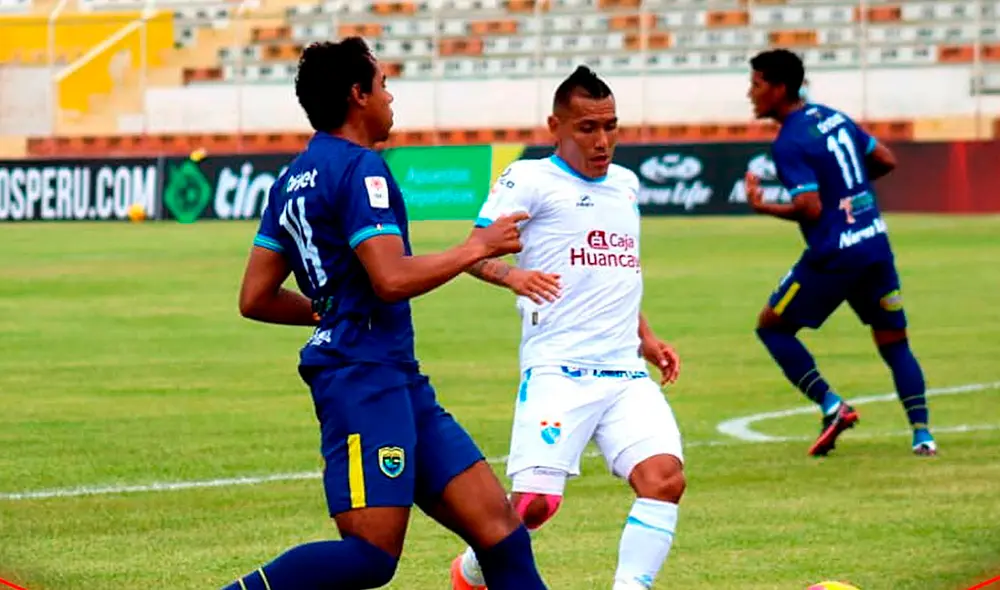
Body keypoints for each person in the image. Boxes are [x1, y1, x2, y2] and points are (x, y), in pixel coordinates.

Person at [225, 37, 549, 590]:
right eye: (383, 85)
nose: (390, 96)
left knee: (502, 535)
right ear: (358, 95)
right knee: (370, 556)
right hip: (362, 380)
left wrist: (334, 313)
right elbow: (391, 278)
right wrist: (475, 248)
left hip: (393, 376)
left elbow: (255, 296)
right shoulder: (361, 169)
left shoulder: (291, 179)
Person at [449, 65, 686, 590]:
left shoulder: (625, 186)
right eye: (587, 128)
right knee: (534, 506)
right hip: (558, 368)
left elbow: (616, 271)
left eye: (610, 126)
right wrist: (514, 276)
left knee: (664, 479)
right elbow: (472, 252)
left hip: (623, 371)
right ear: (556, 127)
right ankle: (470, 571)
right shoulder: (529, 180)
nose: (602, 141)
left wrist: (646, 338)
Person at [744, 48, 935, 457]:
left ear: (779, 88)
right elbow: (884, 159)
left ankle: (832, 405)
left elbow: (810, 208)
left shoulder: (789, 142)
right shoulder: (833, 116)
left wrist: (763, 207)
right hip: (874, 245)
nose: (750, 93)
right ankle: (923, 436)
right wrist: (850, 191)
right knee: (894, 342)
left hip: (835, 255)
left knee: (772, 328)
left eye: (756, 84)